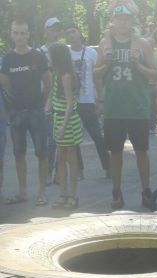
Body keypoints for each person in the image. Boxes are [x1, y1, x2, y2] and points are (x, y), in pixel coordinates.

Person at [94, 2, 156, 209]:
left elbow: (155, 74)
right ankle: (116, 191)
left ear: (132, 20)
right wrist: (100, 96)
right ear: (113, 19)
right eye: (119, 18)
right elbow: (96, 73)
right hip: (114, 106)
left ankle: (146, 190)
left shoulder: (143, 44)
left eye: (127, 18)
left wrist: (137, 66)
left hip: (137, 107)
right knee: (115, 152)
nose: (122, 22)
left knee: (141, 151)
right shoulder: (105, 43)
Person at [0, 20, 51, 206]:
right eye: (16, 33)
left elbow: (48, 81)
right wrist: (11, 107)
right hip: (16, 114)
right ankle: (22, 192)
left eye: (23, 33)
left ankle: (42, 192)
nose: (19, 37)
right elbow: (5, 83)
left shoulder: (38, 56)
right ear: (11, 34)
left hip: (37, 112)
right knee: (18, 154)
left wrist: (45, 104)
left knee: (41, 153)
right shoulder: (8, 59)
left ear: (28, 34)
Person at [64, 22, 111, 178]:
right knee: (74, 139)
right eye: (68, 32)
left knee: (97, 136)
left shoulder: (91, 53)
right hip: (72, 102)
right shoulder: (66, 53)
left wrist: (100, 99)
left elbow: (97, 77)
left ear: (79, 33)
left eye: (73, 31)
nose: (71, 34)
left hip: (88, 101)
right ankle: (79, 171)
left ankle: (108, 167)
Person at [48, 43, 83, 209]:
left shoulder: (66, 76)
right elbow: (53, 95)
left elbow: (70, 104)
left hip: (67, 121)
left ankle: (74, 195)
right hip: (59, 118)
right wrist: (48, 106)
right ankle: (63, 193)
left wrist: (63, 126)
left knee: (71, 158)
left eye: (51, 55)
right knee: (60, 158)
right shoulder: (57, 73)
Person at [40, 17, 63, 185]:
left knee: (57, 138)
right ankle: (48, 172)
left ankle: (55, 172)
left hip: (58, 97)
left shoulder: (63, 50)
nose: (55, 32)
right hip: (41, 98)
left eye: (57, 29)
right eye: (52, 29)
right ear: (46, 31)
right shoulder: (38, 52)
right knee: (47, 138)